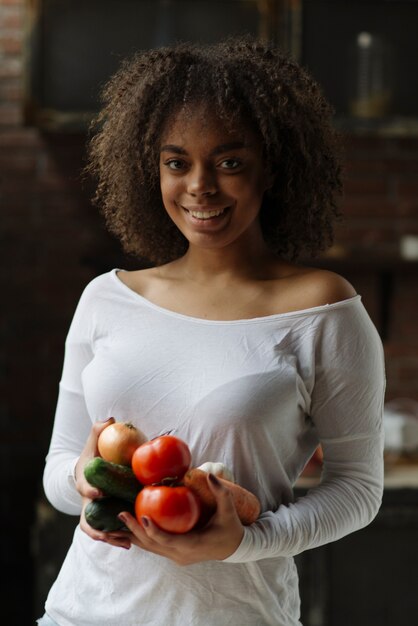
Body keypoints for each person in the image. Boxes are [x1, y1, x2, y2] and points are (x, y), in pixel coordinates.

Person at [38, 37, 385, 626]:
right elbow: (59, 470)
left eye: (229, 162)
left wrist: (245, 542)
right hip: (83, 614)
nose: (200, 187)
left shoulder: (323, 310)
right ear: (152, 169)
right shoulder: (106, 299)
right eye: (177, 163)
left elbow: (358, 491)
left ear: (271, 167)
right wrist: (85, 480)